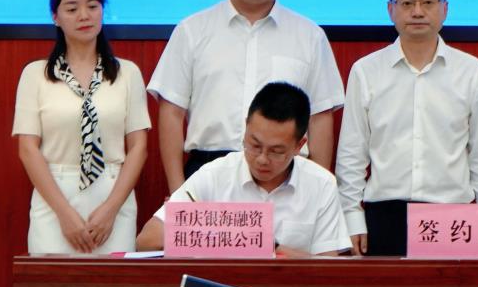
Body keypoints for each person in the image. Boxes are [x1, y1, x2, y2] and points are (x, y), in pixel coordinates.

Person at [148, 0, 345, 191]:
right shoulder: (191, 31)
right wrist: (178, 191)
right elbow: (171, 113)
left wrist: (318, 192)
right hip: (208, 174)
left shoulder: (310, 36)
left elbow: (319, 118)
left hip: (286, 177)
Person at [336, 0, 478, 256]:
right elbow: (352, 152)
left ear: (445, 9)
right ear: (390, 10)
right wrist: (351, 215)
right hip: (384, 214)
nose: (417, 12)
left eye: (428, 2)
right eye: (406, 3)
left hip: (452, 214)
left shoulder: (471, 71)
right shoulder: (366, 70)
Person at [13, 0, 150, 254]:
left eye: (92, 6)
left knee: (112, 282)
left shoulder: (127, 73)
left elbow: (139, 147)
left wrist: (110, 210)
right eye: (72, 9)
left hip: (113, 195)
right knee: (53, 281)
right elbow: (27, 149)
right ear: (55, 17)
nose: (84, 16)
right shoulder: (35, 74)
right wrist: (65, 215)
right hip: (55, 196)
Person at [135, 81, 350, 257]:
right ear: (246, 127)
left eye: (276, 151)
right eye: (254, 145)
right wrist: (243, 236)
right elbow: (147, 241)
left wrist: (272, 248)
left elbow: (327, 268)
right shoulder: (214, 175)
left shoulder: (321, 184)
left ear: (299, 146)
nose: (262, 159)